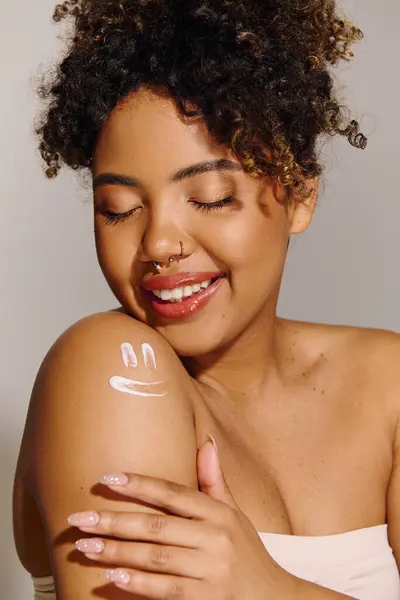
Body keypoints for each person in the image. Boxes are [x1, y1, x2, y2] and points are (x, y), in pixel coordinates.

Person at [12, 0, 400, 599]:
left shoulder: (388, 381)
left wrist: (272, 589)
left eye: (211, 197)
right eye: (119, 209)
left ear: (298, 195)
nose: (159, 243)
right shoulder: (110, 369)